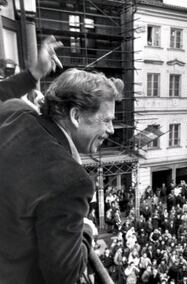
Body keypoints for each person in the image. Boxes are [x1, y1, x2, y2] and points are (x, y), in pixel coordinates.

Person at [0, 63, 123, 283]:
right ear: (75, 115)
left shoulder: (16, 114)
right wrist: (86, 228)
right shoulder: (71, 181)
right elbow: (65, 275)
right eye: (107, 120)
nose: (112, 130)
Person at [0, 35, 62, 103]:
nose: (11, 78)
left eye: (15, 75)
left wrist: (38, 71)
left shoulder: (35, 95)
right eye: (10, 76)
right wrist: (37, 72)